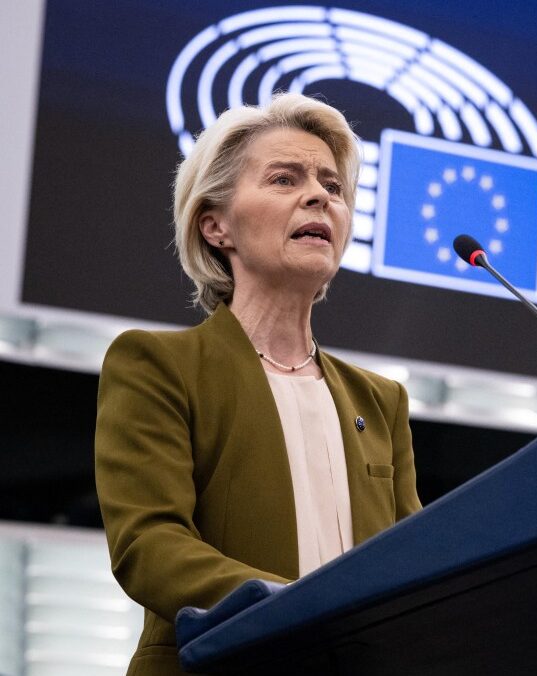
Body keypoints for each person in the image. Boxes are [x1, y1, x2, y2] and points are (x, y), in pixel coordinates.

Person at [94, 93, 422, 676]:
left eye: (332, 186)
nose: (321, 196)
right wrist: (298, 610)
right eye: (284, 179)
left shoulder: (381, 401)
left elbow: (411, 566)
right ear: (215, 225)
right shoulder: (158, 364)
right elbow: (149, 544)